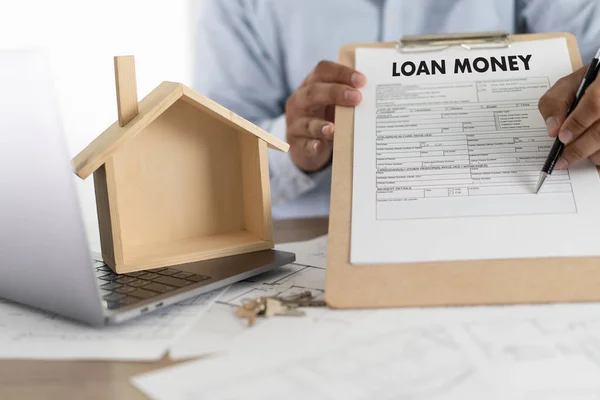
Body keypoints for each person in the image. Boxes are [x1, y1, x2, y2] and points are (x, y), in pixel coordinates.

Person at [192, 0, 600, 219]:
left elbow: (588, 66)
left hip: (521, 221)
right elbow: (212, 166)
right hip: (312, 242)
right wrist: (292, 144)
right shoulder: (240, 6)